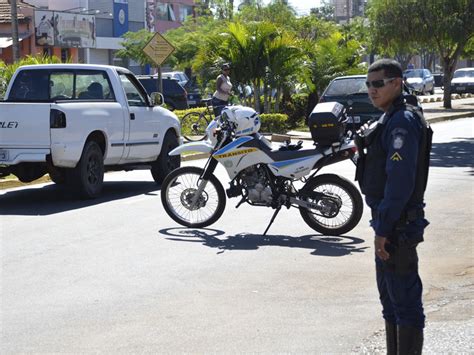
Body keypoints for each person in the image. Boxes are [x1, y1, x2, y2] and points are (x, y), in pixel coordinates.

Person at [354, 59, 432, 354]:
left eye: (378, 84)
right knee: (391, 303)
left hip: (397, 226)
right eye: (368, 84)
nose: (371, 90)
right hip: (388, 222)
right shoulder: (390, 117)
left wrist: (383, 228)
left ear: (396, 83)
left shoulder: (402, 122)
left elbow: (400, 185)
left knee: (405, 305)